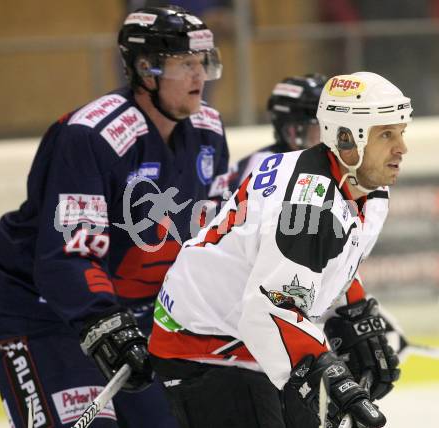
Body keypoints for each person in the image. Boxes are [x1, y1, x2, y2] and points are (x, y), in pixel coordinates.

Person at [0, 5, 228, 428]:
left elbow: (209, 240)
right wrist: (104, 322)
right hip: (40, 313)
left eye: (203, 62)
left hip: (129, 318)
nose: (199, 77)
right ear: (146, 69)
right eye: (184, 64)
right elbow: (68, 253)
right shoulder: (92, 135)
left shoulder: (208, 132)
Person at [148, 71, 410, 428]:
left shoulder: (366, 187)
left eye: (400, 132)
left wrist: (356, 310)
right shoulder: (309, 207)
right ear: (347, 138)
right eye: (386, 135)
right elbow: (267, 312)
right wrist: (330, 373)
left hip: (248, 331)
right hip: (204, 340)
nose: (402, 148)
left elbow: (333, 257)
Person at [228, 73, 327, 193]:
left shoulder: (321, 161)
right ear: (292, 132)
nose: (326, 137)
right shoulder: (262, 166)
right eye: (320, 127)